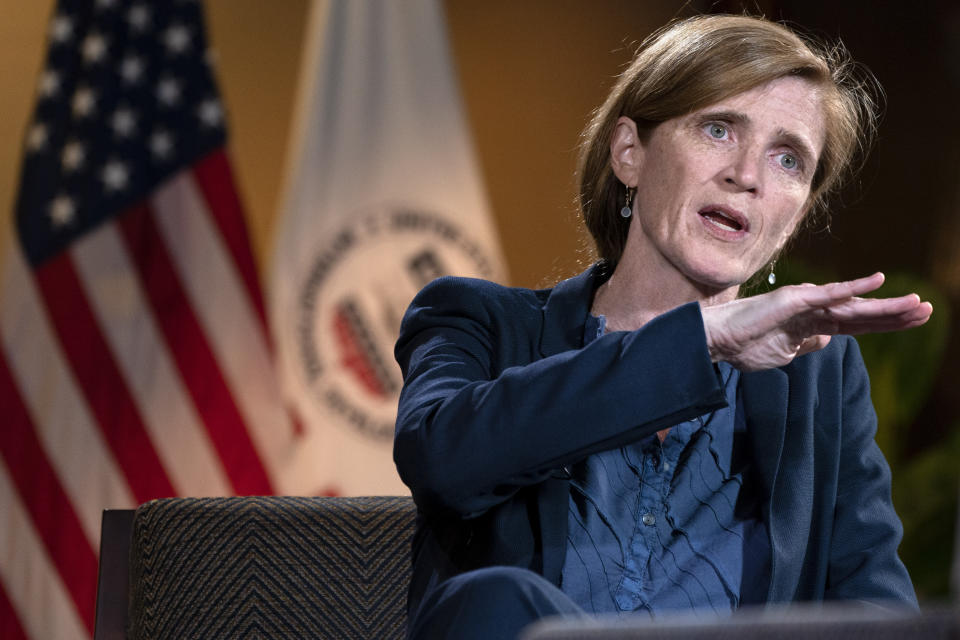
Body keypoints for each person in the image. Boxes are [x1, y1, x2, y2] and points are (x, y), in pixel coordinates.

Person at [392, 13, 933, 640]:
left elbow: (873, 604)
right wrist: (703, 339)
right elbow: (443, 462)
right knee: (497, 597)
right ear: (630, 153)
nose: (748, 175)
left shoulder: (819, 373)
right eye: (718, 128)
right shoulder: (478, 321)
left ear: (798, 214)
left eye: (789, 159)